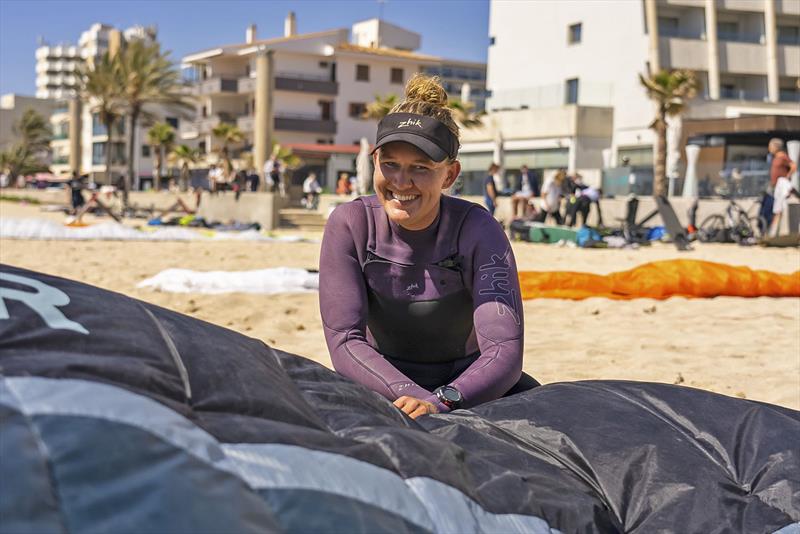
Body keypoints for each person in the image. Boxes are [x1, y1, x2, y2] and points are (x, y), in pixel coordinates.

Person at [319, 74, 538, 421]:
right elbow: (345, 340)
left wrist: (442, 402)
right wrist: (414, 398)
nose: (401, 182)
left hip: (469, 389)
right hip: (381, 386)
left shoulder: (478, 230)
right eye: (389, 164)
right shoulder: (351, 225)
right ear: (374, 160)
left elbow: (504, 351)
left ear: (449, 175)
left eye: (420, 168)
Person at [768, 138, 799, 237]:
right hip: (777, 186)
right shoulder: (775, 157)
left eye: (771, 146)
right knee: (777, 209)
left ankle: (774, 233)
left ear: (776, 147)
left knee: (778, 208)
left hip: (782, 185)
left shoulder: (783, 156)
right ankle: (773, 232)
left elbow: (793, 166)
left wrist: (787, 176)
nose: (769, 148)